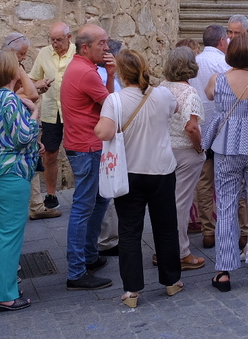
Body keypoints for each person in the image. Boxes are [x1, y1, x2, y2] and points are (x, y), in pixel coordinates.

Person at [95, 49, 182, 309]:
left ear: (121, 73)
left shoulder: (115, 100)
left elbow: (104, 131)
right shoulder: (162, 95)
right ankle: (171, 281)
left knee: (129, 232)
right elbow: (175, 109)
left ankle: (132, 291)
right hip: (162, 171)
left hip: (130, 173)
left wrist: (97, 124)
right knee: (166, 228)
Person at [203, 33, 248, 293]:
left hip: (227, 146)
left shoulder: (217, 79)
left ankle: (223, 269)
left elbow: (210, 96)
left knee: (226, 205)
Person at [0, 50, 40, 313]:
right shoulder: (9, 100)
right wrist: (35, 113)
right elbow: (24, 136)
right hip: (11, 172)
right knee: (9, 235)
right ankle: (3, 293)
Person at [61, 24, 116, 290]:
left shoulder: (81, 68)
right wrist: (113, 75)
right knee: (84, 207)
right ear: (86, 47)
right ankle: (76, 271)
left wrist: (111, 72)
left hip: (86, 146)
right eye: (102, 43)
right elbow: (112, 105)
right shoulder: (86, 73)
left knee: (99, 201)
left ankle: (90, 256)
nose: (107, 48)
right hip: (87, 148)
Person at [160, 48, 207, 271]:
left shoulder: (161, 87)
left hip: (164, 150)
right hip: (185, 152)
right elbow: (191, 127)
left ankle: (163, 250)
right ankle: (180, 252)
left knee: (165, 203)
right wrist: (199, 147)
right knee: (181, 204)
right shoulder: (189, 93)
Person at [30, 22, 74, 219]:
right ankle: (51, 194)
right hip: (50, 110)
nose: (55, 44)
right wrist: (40, 85)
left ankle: (82, 192)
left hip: (73, 111)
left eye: (59, 40)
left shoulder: (77, 52)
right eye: (52, 40)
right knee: (50, 153)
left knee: (77, 152)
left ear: (69, 38)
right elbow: (33, 80)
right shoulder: (44, 54)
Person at [191, 25, 228, 249]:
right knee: (227, 180)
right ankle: (230, 226)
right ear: (222, 41)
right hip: (223, 130)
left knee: (204, 183)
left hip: (201, 130)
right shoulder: (225, 64)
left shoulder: (194, 62)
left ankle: (208, 230)